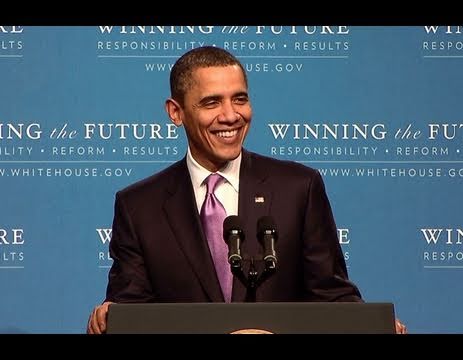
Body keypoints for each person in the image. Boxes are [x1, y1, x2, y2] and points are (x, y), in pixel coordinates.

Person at [87, 46, 406, 334]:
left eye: (240, 98)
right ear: (176, 112)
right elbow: (132, 316)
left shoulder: (299, 188)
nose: (230, 115)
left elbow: (332, 295)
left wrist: (369, 326)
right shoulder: (138, 206)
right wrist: (110, 318)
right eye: (212, 102)